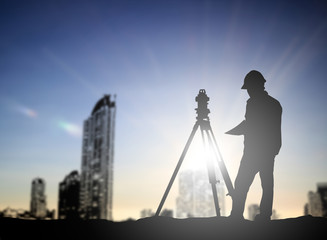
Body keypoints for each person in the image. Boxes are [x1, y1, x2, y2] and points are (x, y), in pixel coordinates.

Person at [226, 70, 282, 221]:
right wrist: (274, 150)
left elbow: (251, 125)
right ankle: (264, 216)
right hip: (267, 151)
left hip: (254, 152)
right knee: (267, 184)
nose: (248, 92)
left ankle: (237, 215)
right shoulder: (275, 104)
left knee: (242, 183)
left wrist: (233, 131)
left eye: (249, 88)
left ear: (256, 86)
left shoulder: (253, 103)